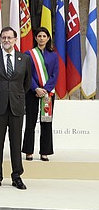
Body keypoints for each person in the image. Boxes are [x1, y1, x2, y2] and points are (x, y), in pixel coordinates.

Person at [0, 27, 32, 190]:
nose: (6, 40)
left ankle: (17, 176)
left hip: (16, 105)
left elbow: (26, 83)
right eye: (4, 38)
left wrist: (15, 95)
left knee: (16, 143)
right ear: (0, 40)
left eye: (10, 38)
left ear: (15, 40)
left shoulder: (24, 59)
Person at [23, 27, 59, 162]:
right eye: (39, 36)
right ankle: (28, 151)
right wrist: (36, 88)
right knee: (30, 122)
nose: (42, 38)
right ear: (35, 38)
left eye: (44, 36)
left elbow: (55, 75)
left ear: (48, 38)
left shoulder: (54, 55)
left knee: (46, 122)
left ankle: (45, 151)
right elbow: (27, 74)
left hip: (48, 94)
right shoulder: (28, 54)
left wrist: (46, 89)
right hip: (32, 92)